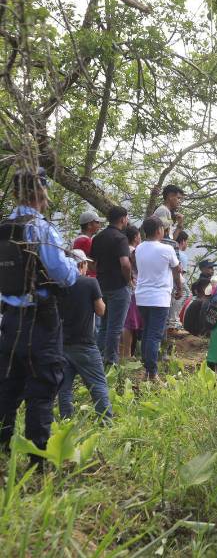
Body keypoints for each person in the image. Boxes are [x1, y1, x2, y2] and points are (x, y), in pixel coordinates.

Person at [0, 168, 78, 463]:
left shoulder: (4, 227)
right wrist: (74, 268)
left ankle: (3, 449)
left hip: (9, 321)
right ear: (41, 192)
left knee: (7, 387)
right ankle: (37, 462)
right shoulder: (41, 229)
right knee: (42, 387)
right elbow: (62, 275)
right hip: (40, 321)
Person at [57, 249, 112, 422]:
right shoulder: (90, 283)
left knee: (64, 388)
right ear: (81, 264)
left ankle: (66, 422)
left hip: (62, 343)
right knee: (98, 385)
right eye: (86, 263)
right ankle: (106, 422)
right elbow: (101, 310)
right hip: (85, 344)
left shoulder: (57, 285)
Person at [134, 217, 181, 380]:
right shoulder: (166, 249)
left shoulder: (139, 248)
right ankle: (152, 372)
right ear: (158, 230)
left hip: (142, 297)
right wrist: (179, 288)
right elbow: (177, 270)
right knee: (154, 335)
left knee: (147, 332)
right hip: (159, 298)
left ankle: (147, 367)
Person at [91, 206, 132, 366]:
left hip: (101, 286)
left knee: (104, 326)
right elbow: (125, 264)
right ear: (123, 219)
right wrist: (128, 280)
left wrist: (102, 273)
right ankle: (111, 362)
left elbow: (92, 264)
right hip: (118, 286)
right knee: (115, 327)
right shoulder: (120, 238)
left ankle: (99, 359)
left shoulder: (98, 237)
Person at [121, 225, 142, 361]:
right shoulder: (134, 251)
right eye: (139, 235)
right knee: (129, 323)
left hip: (126, 288)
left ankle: (125, 352)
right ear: (135, 237)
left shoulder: (122, 250)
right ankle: (126, 354)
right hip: (133, 289)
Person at [167, 230, 191, 331]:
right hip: (176, 280)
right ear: (183, 241)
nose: (187, 245)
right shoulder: (182, 256)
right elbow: (180, 274)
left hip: (167, 280)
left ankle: (170, 321)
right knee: (186, 292)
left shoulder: (170, 249)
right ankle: (174, 321)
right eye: (187, 242)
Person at [72, 211, 102, 277]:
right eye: (97, 222)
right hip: (89, 277)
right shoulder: (86, 241)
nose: (100, 225)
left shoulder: (77, 239)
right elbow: (92, 267)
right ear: (89, 225)